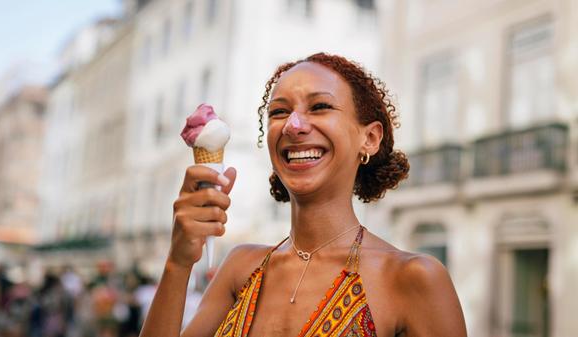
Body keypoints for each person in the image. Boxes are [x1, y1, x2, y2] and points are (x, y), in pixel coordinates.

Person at [139, 52, 467, 337]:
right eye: (279, 112)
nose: (293, 125)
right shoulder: (240, 267)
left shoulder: (412, 278)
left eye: (320, 106)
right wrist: (178, 262)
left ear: (370, 138)